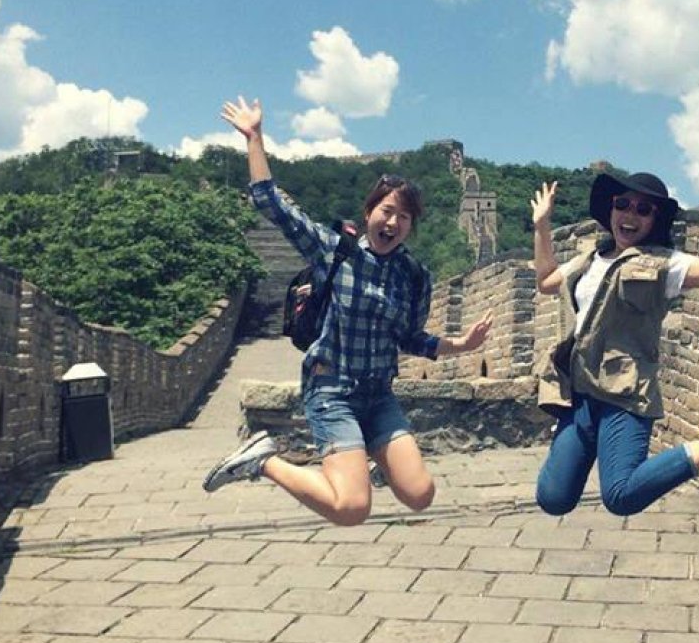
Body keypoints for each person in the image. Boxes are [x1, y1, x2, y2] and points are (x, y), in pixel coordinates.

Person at [202, 96, 492, 526]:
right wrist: (255, 139)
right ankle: (263, 460)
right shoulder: (334, 253)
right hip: (332, 390)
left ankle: (363, 460)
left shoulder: (413, 276)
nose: (393, 223)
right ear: (370, 211)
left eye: (404, 218)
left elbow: (411, 338)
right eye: (387, 211)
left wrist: (461, 345)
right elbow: (271, 204)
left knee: (420, 494)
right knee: (351, 509)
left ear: (412, 226)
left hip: (379, 394)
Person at [530, 169, 699, 516]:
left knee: (621, 496)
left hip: (624, 395)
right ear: (610, 209)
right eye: (623, 204)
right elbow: (545, 281)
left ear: (655, 219)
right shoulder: (588, 260)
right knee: (553, 498)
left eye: (643, 209)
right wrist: (542, 225)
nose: (630, 215)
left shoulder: (664, 265)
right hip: (578, 394)